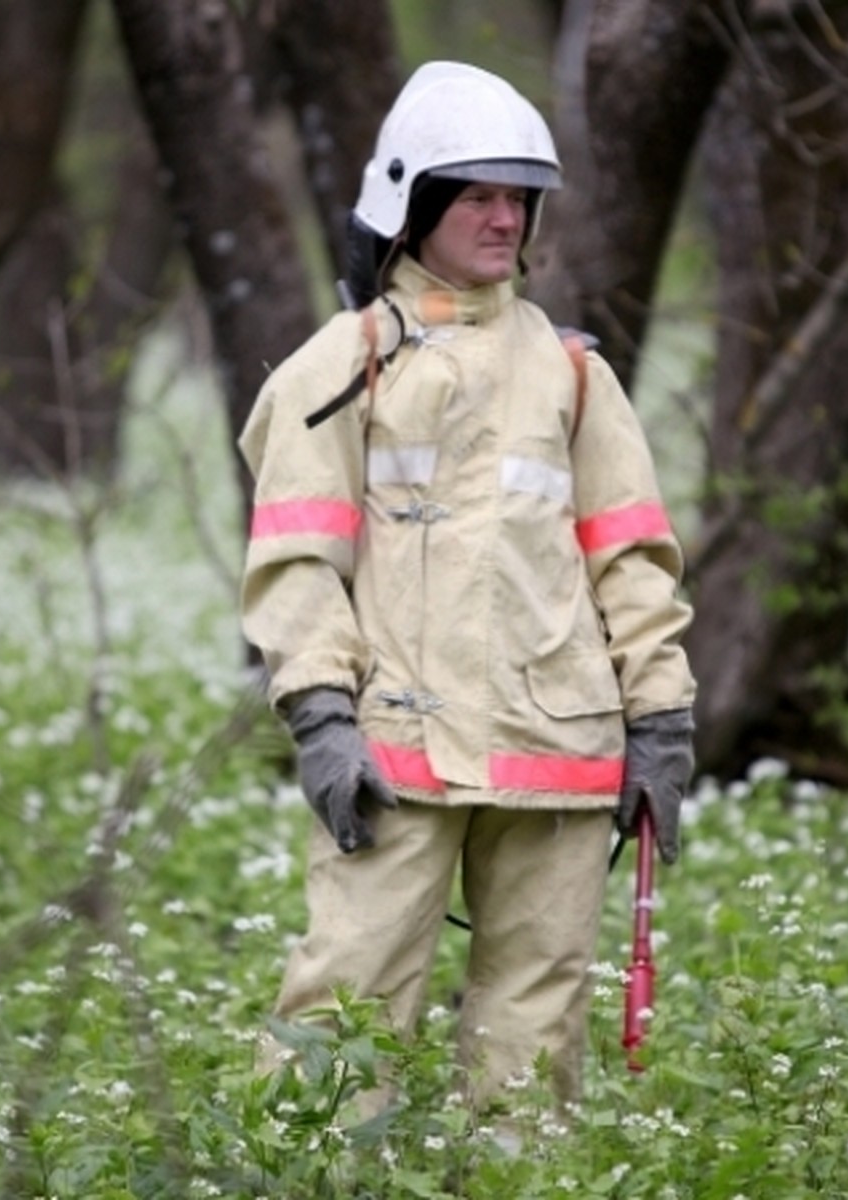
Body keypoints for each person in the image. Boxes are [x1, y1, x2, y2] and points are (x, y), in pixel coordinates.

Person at [238, 60, 696, 1128]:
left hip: (562, 753)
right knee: (345, 1009)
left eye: (517, 197)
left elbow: (631, 559)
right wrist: (318, 717)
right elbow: (297, 561)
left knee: (535, 1027)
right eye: (477, 194)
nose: (503, 217)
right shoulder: (336, 368)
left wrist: (662, 722)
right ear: (412, 201)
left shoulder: (577, 376)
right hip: (394, 753)